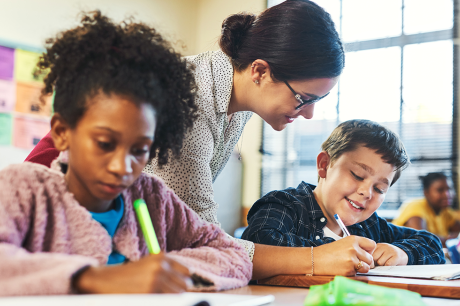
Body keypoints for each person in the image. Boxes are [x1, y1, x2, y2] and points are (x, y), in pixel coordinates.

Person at [25, 0, 344, 279]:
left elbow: (199, 239)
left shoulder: (239, 100)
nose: (309, 114)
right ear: (259, 72)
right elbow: (199, 241)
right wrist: (316, 258)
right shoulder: (189, 102)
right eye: (303, 98)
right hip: (50, 222)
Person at [0, 12, 251, 296]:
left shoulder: (151, 198)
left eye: (140, 150)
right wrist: (94, 278)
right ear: (61, 132)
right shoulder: (23, 189)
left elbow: (234, 256)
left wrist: (167, 273)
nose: (123, 167)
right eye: (105, 144)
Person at [242, 120, 445, 276]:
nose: (367, 192)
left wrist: (403, 253)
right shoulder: (284, 205)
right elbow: (256, 245)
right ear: (324, 165)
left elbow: (431, 243)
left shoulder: (369, 226)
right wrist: (329, 252)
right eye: (357, 175)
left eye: (380, 188)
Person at [393, 172, 460, 245]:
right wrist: (449, 239)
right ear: (426, 192)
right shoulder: (415, 206)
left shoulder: (446, 211)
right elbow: (421, 239)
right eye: (440, 190)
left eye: (449, 189)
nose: (447, 194)